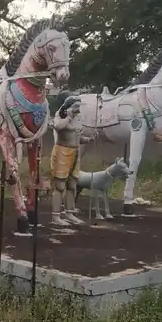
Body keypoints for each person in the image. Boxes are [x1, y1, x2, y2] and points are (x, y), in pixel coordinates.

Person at [50, 95, 93, 226]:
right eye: (75, 107)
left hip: (75, 153)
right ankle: (56, 216)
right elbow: (58, 127)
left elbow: (78, 138)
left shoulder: (78, 119)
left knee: (72, 185)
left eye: (79, 107)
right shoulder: (61, 117)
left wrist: (89, 139)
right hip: (62, 152)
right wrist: (68, 116)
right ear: (68, 107)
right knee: (60, 186)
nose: (77, 110)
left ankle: (69, 213)